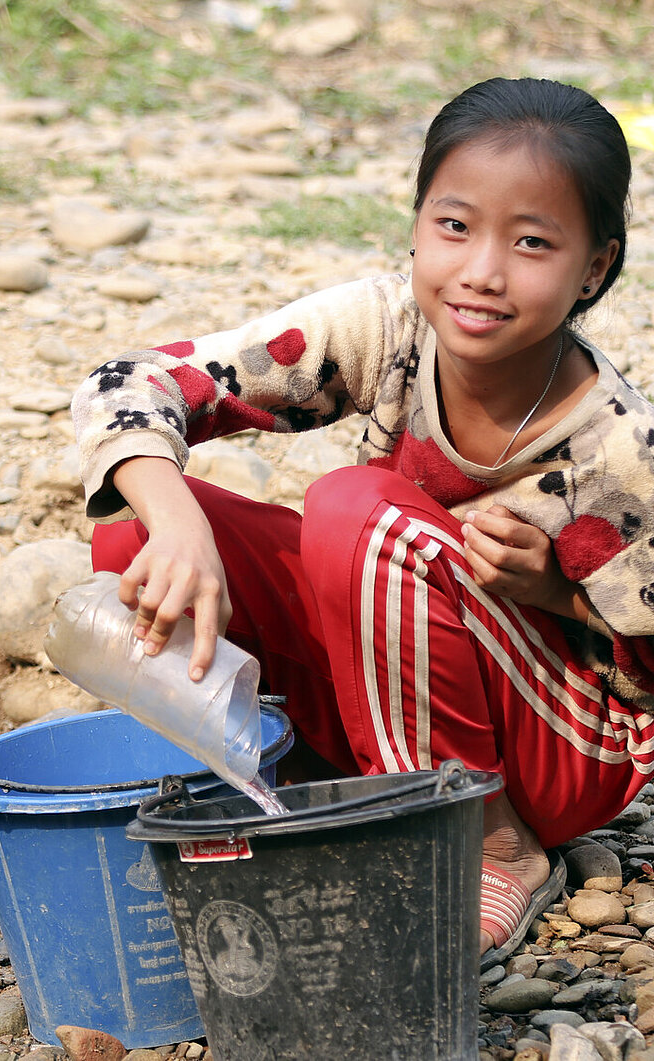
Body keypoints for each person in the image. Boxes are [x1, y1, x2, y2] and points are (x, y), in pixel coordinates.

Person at [72, 77, 654, 969]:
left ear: (595, 268)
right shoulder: (387, 326)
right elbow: (132, 379)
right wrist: (178, 518)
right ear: (418, 224)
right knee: (138, 537)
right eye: (454, 227)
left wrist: (561, 595)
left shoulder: (615, 447)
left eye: (532, 242)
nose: (482, 272)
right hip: (399, 687)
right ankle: (305, 778)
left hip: (556, 747)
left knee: (353, 512)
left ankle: (486, 841)